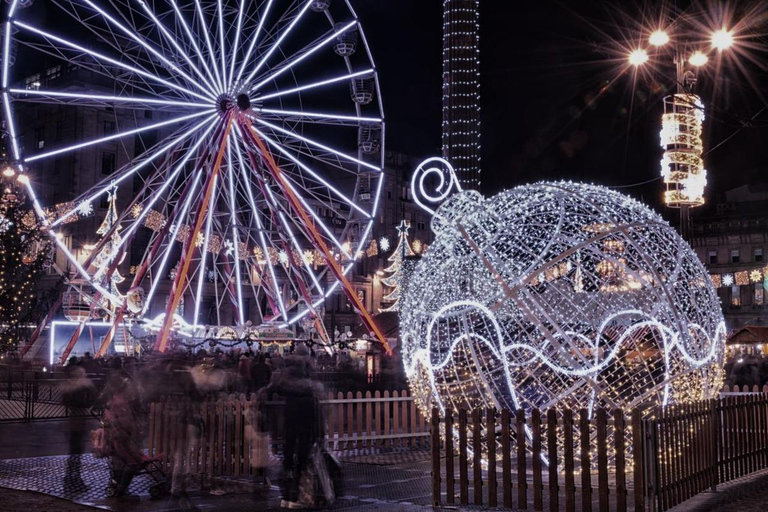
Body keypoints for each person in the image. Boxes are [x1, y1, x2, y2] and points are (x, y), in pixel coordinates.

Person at [262, 344, 325, 508]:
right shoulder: (309, 370)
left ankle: (286, 495)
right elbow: (317, 390)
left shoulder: (284, 371)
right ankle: (296, 496)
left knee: (288, 453)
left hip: (290, 411)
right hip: (306, 411)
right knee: (303, 455)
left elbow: (270, 389)